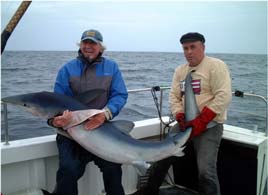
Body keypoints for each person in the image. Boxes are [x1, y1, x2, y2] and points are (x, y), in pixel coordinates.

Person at [133, 32, 232, 195]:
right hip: (185, 125)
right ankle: (149, 191)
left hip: (209, 125)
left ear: (203, 47)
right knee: (161, 158)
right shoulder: (180, 70)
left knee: (206, 171)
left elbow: (223, 95)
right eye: (185, 48)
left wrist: (203, 120)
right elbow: (174, 96)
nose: (189, 52)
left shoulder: (216, 66)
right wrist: (179, 115)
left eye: (193, 47)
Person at [44, 29, 128, 195]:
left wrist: (106, 113)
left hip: (100, 127)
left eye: (93, 43)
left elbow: (120, 94)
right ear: (80, 45)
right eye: (85, 43)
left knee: (113, 167)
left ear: (101, 47)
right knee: (68, 171)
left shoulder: (111, 67)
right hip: (70, 132)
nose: (88, 47)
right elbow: (57, 102)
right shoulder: (67, 69)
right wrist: (56, 120)